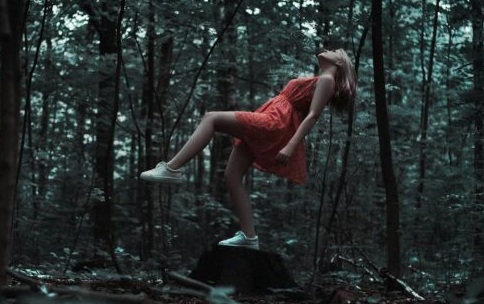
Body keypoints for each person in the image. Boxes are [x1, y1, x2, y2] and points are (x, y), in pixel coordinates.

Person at [140, 48, 358, 250]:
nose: (325, 50)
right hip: (272, 117)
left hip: (274, 122)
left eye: (332, 50)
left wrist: (291, 146)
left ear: (339, 61)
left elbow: (313, 115)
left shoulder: (327, 79)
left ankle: (172, 168)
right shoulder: (323, 78)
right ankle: (249, 237)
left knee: (211, 118)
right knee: (232, 175)